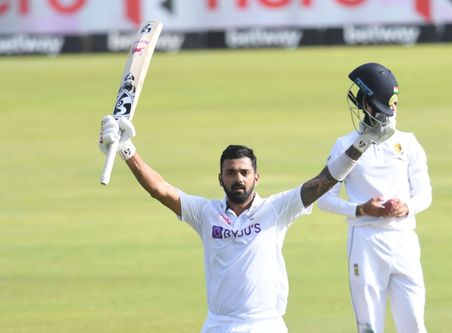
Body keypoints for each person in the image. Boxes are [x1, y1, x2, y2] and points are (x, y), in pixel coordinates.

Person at [97, 77, 394, 333]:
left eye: (244, 172)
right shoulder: (205, 213)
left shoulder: (277, 209)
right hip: (220, 324)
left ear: (256, 177)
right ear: (220, 178)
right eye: (231, 173)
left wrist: (361, 143)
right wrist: (126, 149)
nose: (238, 178)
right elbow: (159, 190)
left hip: (266, 324)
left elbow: (326, 179)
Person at [317, 62, 432, 333]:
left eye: (363, 99)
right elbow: (323, 199)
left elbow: (424, 194)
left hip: (404, 239)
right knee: (368, 327)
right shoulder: (345, 145)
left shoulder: (409, 143)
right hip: (365, 242)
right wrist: (361, 209)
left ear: (372, 105)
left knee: (414, 324)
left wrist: (406, 207)